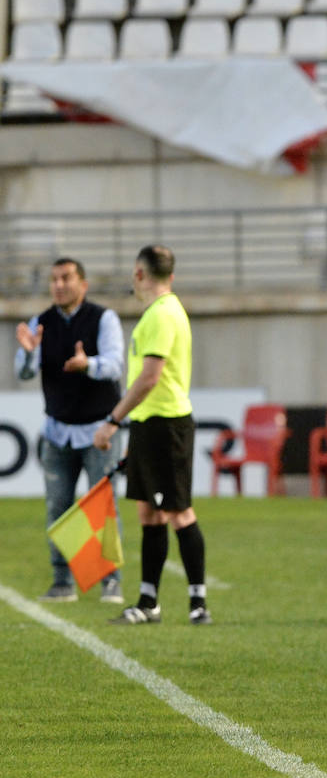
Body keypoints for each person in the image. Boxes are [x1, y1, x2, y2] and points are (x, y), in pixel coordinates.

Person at [93, 245, 212, 627]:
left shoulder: (161, 314)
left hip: (166, 423)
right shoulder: (163, 311)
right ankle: (149, 602)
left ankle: (198, 604)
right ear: (171, 275)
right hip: (150, 424)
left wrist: (113, 419)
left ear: (139, 274)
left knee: (177, 511)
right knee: (150, 511)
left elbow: (150, 377)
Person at [14, 258, 125, 604]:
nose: (59, 285)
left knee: (102, 508)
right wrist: (30, 353)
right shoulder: (41, 323)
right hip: (58, 431)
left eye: (66, 278)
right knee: (57, 507)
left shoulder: (103, 318)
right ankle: (62, 581)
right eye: (54, 279)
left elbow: (115, 364)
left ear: (83, 283)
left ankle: (111, 580)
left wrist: (87, 364)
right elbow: (24, 373)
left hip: (98, 431)